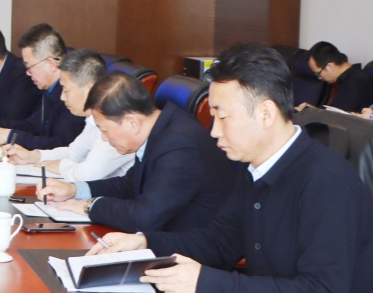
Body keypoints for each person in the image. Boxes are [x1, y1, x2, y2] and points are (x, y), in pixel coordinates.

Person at [89, 44, 373, 293]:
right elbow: (219, 243)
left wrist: (206, 283)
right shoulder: (254, 169)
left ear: (265, 114)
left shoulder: (326, 182)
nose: (214, 132)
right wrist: (145, 243)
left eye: (222, 117)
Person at [38, 72, 237, 233]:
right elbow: (130, 184)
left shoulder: (180, 146)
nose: (104, 139)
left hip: (188, 250)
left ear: (132, 122)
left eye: (105, 130)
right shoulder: (162, 130)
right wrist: (74, 190)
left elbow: (144, 217)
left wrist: (89, 206)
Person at [3, 48, 134, 182]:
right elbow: (73, 153)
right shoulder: (92, 119)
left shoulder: (115, 122)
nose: (62, 97)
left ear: (90, 90)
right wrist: (33, 156)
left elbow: (87, 174)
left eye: (66, 90)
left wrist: (60, 166)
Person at [0, 23, 84, 150]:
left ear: (50, 64)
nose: (27, 73)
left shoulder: (72, 94)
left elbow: (59, 145)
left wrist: (10, 136)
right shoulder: (50, 89)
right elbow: (32, 126)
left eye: (29, 66)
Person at [297, 41, 373, 113]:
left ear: (330, 66)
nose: (319, 78)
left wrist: (313, 111)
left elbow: (339, 117)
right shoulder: (347, 78)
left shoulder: (356, 83)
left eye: (318, 73)